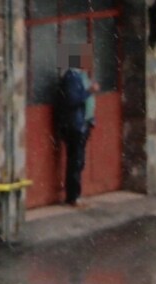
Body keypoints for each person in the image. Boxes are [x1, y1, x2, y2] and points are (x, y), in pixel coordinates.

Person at [56, 46, 98, 207]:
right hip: (74, 125)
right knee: (75, 160)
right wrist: (89, 91)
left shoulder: (81, 76)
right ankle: (73, 196)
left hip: (81, 123)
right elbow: (72, 100)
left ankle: (75, 194)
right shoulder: (71, 77)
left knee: (78, 161)